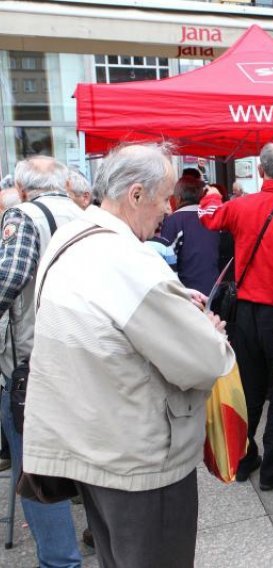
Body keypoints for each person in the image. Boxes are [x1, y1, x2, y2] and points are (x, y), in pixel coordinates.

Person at [21, 143, 234, 568]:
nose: (168, 208)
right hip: (140, 460)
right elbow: (206, 361)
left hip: (91, 444)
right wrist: (206, 330)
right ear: (136, 195)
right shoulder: (128, 261)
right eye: (164, 196)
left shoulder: (73, 236)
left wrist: (174, 308)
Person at [198, 142, 273, 489]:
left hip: (244, 313)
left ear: (260, 171)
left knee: (248, 391)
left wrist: (211, 193)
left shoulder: (240, 205)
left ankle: (244, 459)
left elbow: (209, 218)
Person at [0, 155, 82, 567]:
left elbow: (9, 278)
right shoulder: (84, 212)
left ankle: (60, 561)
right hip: (80, 352)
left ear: (20, 185)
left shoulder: (23, 215)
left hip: (31, 363)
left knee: (36, 468)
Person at [158, 176, 220, 295]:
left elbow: (166, 259)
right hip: (214, 291)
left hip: (187, 294)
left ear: (178, 199)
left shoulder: (173, 221)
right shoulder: (212, 218)